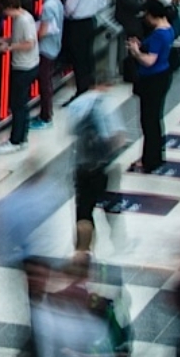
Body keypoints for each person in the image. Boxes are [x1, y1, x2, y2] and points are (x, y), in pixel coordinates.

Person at [66, 85, 126, 251]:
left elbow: (70, 131)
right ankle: (119, 242)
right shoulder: (104, 104)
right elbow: (116, 137)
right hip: (102, 166)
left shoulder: (76, 104)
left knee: (83, 208)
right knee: (110, 205)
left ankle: (84, 246)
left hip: (81, 165)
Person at [128, 1, 175, 172]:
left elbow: (149, 60)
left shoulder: (158, 35)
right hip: (163, 76)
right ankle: (154, 155)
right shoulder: (168, 28)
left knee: (149, 120)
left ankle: (150, 159)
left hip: (153, 80)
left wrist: (136, 52)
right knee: (155, 119)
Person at [0, 0, 39, 154]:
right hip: (29, 66)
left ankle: (16, 140)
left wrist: (9, 48)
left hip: (24, 68)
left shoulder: (23, 21)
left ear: (9, 7)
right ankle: (21, 138)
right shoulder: (24, 17)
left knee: (18, 105)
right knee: (22, 105)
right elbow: (16, 38)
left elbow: (29, 43)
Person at [62, 0, 109, 102]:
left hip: (78, 25)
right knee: (88, 56)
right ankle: (89, 85)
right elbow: (102, 3)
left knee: (79, 59)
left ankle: (81, 90)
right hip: (92, 21)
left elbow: (69, 7)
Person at [31, 0, 63, 130]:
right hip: (54, 47)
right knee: (46, 82)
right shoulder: (57, 2)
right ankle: (45, 114)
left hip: (46, 49)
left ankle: (46, 117)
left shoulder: (48, 7)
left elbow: (43, 31)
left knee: (44, 84)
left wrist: (30, 38)